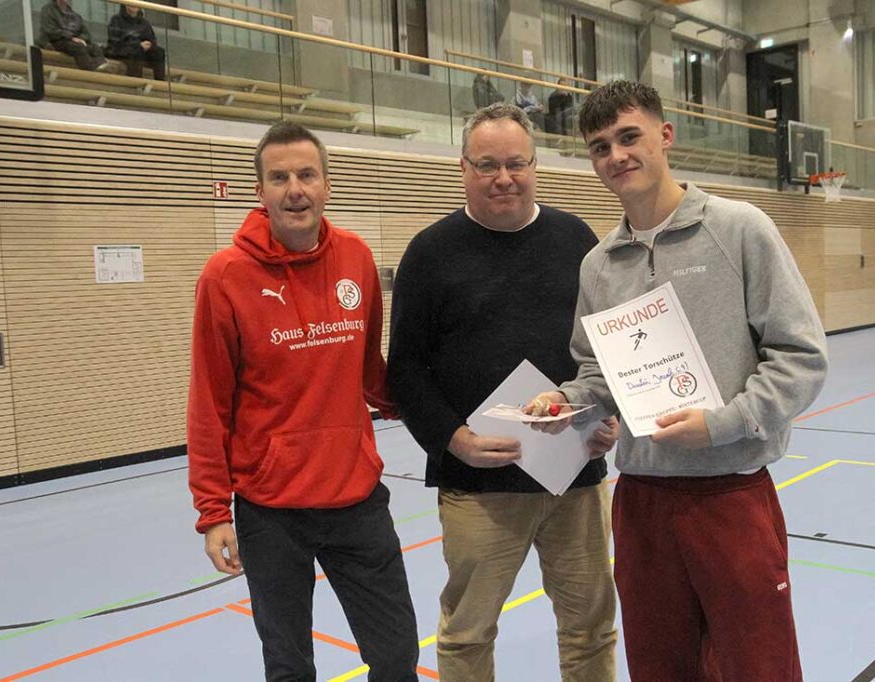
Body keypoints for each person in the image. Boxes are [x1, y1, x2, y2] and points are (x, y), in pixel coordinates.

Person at [527, 81, 828, 681]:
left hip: (731, 497)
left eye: (629, 136)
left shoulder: (740, 230)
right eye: (600, 146)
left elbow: (802, 356)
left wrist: (722, 425)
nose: (617, 155)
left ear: (666, 136)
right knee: (659, 667)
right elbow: (597, 372)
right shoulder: (598, 264)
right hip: (642, 502)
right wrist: (563, 401)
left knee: (758, 667)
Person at [388, 103, 619, 682]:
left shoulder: (576, 240)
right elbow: (406, 371)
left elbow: (606, 349)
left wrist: (605, 419)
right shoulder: (430, 253)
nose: (503, 177)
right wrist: (454, 440)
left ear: (535, 165)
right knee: (467, 635)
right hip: (479, 485)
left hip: (576, 477)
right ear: (463, 167)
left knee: (591, 629)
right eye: (487, 164)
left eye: (516, 163)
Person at [187, 121, 419, 681]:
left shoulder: (356, 258)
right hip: (271, 513)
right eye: (280, 177)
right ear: (260, 191)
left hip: (356, 499)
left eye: (307, 174)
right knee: (289, 666)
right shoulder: (225, 276)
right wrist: (213, 512)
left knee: (395, 657)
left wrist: (435, 407)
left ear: (326, 184)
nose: (295, 188)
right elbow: (209, 402)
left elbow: (370, 372)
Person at [38, 0, 109, 72]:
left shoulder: (75, 15)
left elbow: (86, 34)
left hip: (74, 42)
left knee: (95, 48)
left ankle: (101, 67)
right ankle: (90, 70)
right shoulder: (48, 10)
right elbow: (50, 30)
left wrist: (80, 39)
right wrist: (71, 38)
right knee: (78, 48)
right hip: (57, 41)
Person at [106, 4, 166, 80]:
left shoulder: (144, 23)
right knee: (137, 50)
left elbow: (152, 40)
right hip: (121, 51)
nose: (134, 4)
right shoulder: (116, 19)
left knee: (159, 52)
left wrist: (147, 45)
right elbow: (115, 42)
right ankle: (136, 83)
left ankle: (160, 83)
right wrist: (138, 45)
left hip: (142, 52)